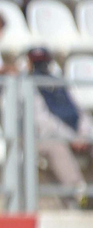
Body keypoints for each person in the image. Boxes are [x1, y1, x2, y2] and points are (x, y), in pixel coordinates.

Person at [24, 46, 92, 206]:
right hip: (42, 138)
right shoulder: (27, 85)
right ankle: (78, 196)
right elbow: (43, 122)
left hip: (73, 135)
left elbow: (78, 111)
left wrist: (84, 134)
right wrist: (73, 137)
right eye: (36, 63)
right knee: (57, 148)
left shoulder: (58, 83)